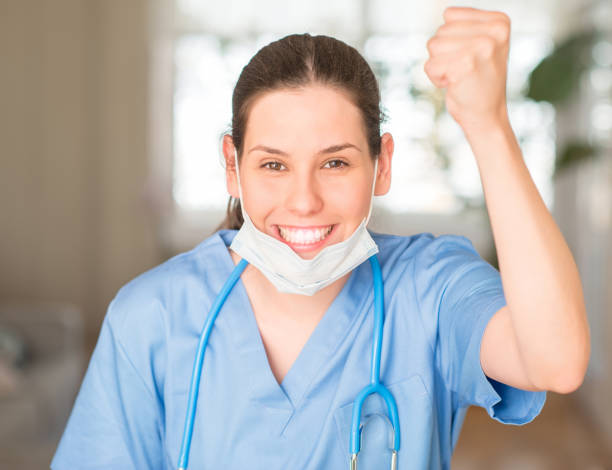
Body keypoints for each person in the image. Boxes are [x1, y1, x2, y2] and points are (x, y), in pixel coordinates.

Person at [51, 6, 590, 470]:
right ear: (232, 167)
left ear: (382, 167)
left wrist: (488, 125)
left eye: (334, 162)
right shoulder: (153, 315)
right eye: (273, 165)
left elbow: (555, 361)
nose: (304, 200)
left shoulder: (429, 289)